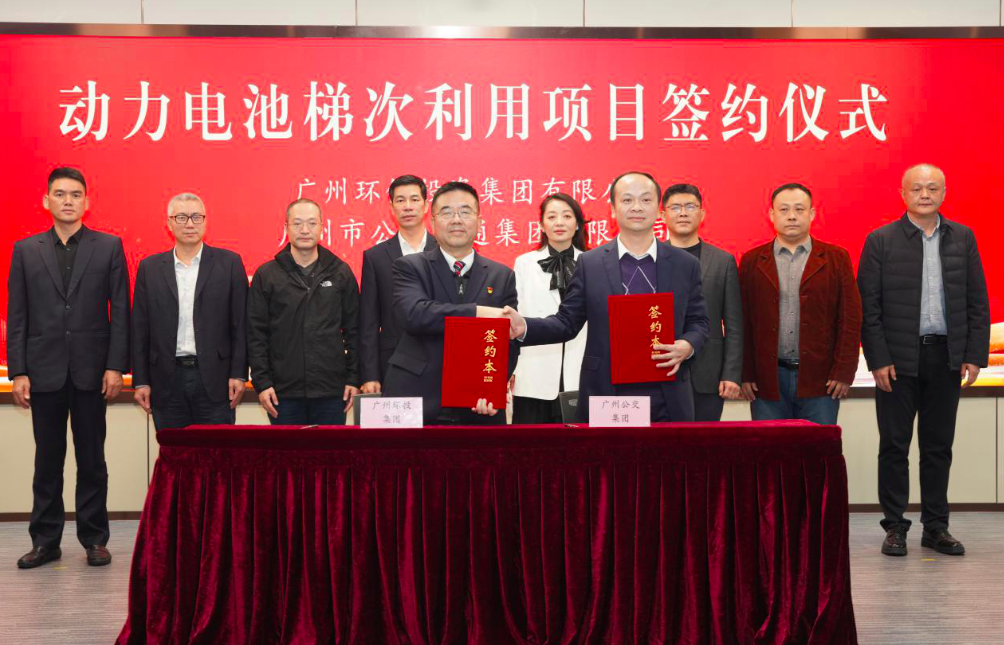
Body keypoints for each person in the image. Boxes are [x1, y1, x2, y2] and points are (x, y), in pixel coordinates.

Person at [858, 163, 990, 557]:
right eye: (917, 188)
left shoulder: (962, 237)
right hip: (897, 361)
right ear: (903, 194)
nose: (925, 194)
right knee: (894, 446)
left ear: (944, 193)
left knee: (938, 447)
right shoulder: (880, 240)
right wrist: (878, 359)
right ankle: (895, 526)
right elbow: (869, 307)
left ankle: (936, 526)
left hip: (946, 356)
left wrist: (973, 354)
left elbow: (977, 301)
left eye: (932, 188)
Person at [504, 172, 709, 423]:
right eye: (627, 200)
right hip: (608, 393)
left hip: (667, 391)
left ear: (659, 210)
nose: (636, 207)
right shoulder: (590, 263)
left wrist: (688, 345)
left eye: (646, 200)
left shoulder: (684, 264)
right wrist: (524, 327)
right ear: (612, 209)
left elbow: (699, 321)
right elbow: (567, 322)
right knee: (609, 450)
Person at [8, 167, 129, 569]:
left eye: (75, 194)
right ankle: (45, 541)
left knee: (92, 459)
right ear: (47, 201)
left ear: (86, 202)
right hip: (43, 371)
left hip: (93, 372)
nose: (68, 201)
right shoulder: (26, 250)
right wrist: (18, 371)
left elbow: (120, 311)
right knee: (47, 460)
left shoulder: (108, 247)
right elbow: (18, 314)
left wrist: (116, 366)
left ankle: (94, 539)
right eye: (60, 194)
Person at [382, 181, 518, 425]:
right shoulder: (409, 266)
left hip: (478, 402)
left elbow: (509, 339)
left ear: (479, 221)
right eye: (446, 212)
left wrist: (493, 388)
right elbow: (415, 315)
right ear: (433, 223)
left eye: (465, 212)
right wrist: (478, 313)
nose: (456, 220)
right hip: (416, 397)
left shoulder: (502, 275)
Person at [738, 183, 861, 425]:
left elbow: (850, 319)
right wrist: (745, 372)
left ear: (812, 214)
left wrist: (844, 372)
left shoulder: (836, 258)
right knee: (769, 448)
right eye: (784, 210)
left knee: (818, 447)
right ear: (772, 214)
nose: (792, 216)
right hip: (766, 381)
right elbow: (742, 321)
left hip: (821, 379)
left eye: (799, 209)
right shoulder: (752, 261)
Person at [132, 192, 249, 430]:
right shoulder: (149, 268)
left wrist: (239, 374)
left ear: (205, 221)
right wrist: (141, 380)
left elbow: (240, 324)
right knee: (173, 450)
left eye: (196, 217)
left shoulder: (229, 263)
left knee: (216, 450)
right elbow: (140, 329)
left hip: (215, 379)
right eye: (181, 217)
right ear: (169, 223)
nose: (189, 224)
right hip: (166, 379)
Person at [247, 198, 360, 424]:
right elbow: (256, 334)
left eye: (311, 223)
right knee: (287, 449)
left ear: (322, 227)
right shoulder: (267, 275)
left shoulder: (340, 272)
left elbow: (355, 331)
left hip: (332, 391)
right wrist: (262, 383)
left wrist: (354, 378)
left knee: (332, 448)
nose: (305, 230)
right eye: (297, 223)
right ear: (286, 227)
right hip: (282, 393)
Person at [662, 183, 743, 421]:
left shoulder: (723, 261)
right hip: (660, 369)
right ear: (663, 215)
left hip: (708, 374)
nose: (683, 213)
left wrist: (731, 374)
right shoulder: (650, 257)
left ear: (702, 213)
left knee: (704, 441)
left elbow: (734, 325)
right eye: (675, 207)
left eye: (690, 206)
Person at [511, 193, 589, 424]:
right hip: (534, 369)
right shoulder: (524, 263)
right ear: (541, 225)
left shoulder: (593, 262)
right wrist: (511, 368)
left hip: (581, 368)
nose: (559, 222)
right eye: (552, 217)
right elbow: (515, 316)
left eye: (567, 216)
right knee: (532, 442)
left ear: (578, 224)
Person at [359, 175, 437, 395]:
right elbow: (368, 322)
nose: (408, 206)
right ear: (392, 208)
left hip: (440, 360)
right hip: (393, 362)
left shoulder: (445, 249)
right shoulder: (375, 257)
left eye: (414, 199)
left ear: (425, 205)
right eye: (400, 200)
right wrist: (370, 374)